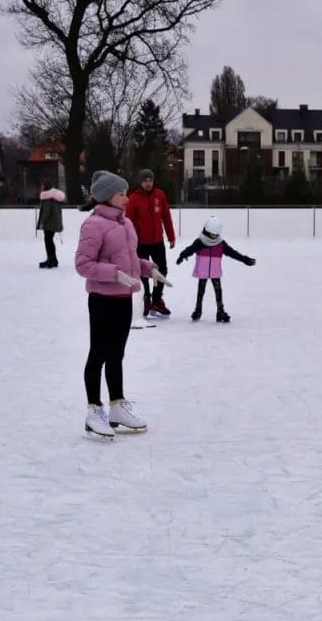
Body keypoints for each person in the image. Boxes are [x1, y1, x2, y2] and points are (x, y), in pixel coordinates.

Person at [74, 170, 167, 439]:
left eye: (126, 193)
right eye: (121, 194)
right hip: (102, 299)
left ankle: (117, 405)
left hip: (124, 298)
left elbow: (129, 259)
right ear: (106, 197)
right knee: (98, 354)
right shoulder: (93, 225)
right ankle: (94, 410)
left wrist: (148, 268)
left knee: (116, 354)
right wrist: (113, 274)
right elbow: (83, 264)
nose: (126, 198)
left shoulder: (125, 224)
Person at [176, 216, 256, 322]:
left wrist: (244, 259)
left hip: (215, 272)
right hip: (203, 272)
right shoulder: (200, 242)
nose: (214, 237)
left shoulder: (220, 244)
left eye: (216, 234)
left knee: (218, 292)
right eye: (212, 234)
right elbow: (190, 249)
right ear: (206, 231)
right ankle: (198, 311)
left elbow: (232, 253)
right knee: (200, 292)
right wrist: (182, 256)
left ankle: (220, 312)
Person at [126, 169, 176, 317]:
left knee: (162, 270)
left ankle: (157, 299)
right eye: (145, 181)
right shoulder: (133, 198)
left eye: (150, 180)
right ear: (140, 182)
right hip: (140, 243)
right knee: (143, 272)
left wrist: (171, 236)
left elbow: (166, 217)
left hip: (157, 242)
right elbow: (128, 222)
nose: (148, 184)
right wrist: (129, 242)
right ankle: (146, 299)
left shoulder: (160, 195)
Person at [35, 180, 66, 268]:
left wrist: (42, 222)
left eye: (42, 185)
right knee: (50, 240)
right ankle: (53, 259)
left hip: (49, 223)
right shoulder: (54, 198)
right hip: (54, 222)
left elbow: (46, 212)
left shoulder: (47, 198)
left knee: (48, 241)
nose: (41, 187)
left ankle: (51, 260)